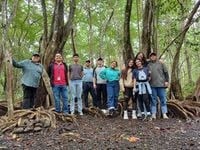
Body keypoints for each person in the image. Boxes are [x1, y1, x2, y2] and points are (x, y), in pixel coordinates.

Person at [147, 52, 169, 119]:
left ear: (156, 56)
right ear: (150, 57)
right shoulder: (148, 65)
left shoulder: (161, 63)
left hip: (161, 85)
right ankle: (153, 114)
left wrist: (167, 81)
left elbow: (166, 73)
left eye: (154, 56)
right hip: (152, 85)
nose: (153, 57)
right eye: (151, 56)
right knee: (153, 100)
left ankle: (164, 114)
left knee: (163, 99)